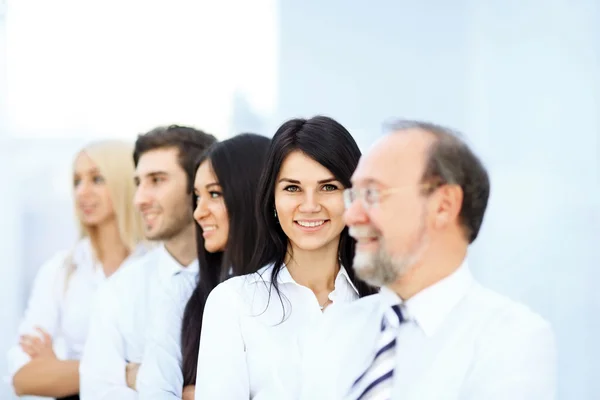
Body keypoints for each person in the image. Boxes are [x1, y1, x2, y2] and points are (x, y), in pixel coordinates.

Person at [299, 120, 557, 400]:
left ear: (443, 206)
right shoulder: (336, 327)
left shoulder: (511, 340)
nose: (351, 216)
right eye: (354, 195)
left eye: (372, 194)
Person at [195, 116, 377, 399]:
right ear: (272, 200)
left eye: (328, 187)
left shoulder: (385, 302)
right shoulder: (233, 303)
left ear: (353, 197)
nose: (310, 205)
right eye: (292, 188)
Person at [79, 125, 217, 400]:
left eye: (157, 180)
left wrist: (141, 379)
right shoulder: (119, 290)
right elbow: (98, 393)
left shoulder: (249, 280)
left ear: (199, 186)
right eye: (138, 182)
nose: (139, 199)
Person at [7, 140, 147, 400]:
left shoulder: (157, 268)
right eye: (77, 181)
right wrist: (127, 373)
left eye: (97, 179)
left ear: (125, 183)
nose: (82, 191)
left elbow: (169, 375)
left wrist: (62, 370)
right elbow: (24, 378)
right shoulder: (59, 271)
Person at [137, 133, 271, 400]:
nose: (199, 212)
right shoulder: (183, 293)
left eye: (214, 194)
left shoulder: (295, 292)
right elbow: (156, 391)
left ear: (253, 194)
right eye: (198, 197)